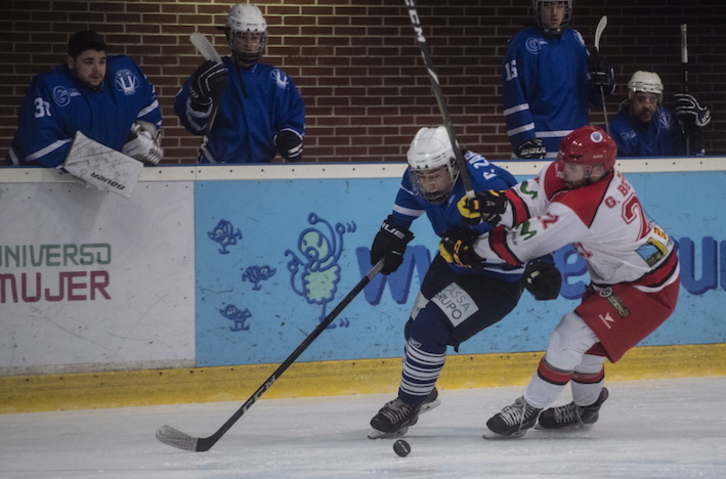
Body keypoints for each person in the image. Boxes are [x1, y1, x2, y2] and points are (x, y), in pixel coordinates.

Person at [449, 125, 680, 438]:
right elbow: (527, 201)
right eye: (562, 161)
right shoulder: (577, 172)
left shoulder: (586, 205)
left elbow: (521, 245)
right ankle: (587, 409)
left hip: (649, 287)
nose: (561, 169)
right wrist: (494, 205)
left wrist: (469, 252)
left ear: (597, 169)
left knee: (569, 335)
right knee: (587, 349)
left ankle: (528, 409)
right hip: (622, 275)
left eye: (571, 166)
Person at [367, 126, 562, 439]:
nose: (428, 184)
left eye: (436, 176)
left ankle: (409, 402)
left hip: (496, 278)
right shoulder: (417, 174)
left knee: (429, 326)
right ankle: (423, 392)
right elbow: (405, 212)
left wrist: (543, 264)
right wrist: (393, 234)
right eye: (423, 177)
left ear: (455, 167)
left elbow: (532, 222)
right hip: (452, 260)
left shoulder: (488, 183)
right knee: (415, 330)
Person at [6, 30, 162, 168]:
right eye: (88, 62)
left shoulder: (123, 73)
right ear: (71, 62)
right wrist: (102, 162)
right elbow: (38, 143)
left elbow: (147, 107)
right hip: (31, 185)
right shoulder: (48, 85)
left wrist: (145, 137)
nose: (97, 69)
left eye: (102, 61)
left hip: (101, 181)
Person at [175, 3, 305, 164]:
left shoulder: (276, 80)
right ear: (230, 36)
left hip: (261, 169)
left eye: (255, 37)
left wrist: (289, 135)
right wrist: (199, 100)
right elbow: (194, 126)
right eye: (242, 36)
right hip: (215, 167)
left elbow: (292, 116)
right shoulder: (212, 74)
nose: (249, 43)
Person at [502, 0, 615, 160]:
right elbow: (515, 96)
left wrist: (601, 85)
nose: (554, 12)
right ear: (538, 8)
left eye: (560, 5)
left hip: (578, 144)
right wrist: (524, 139)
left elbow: (588, 97)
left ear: (567, 8)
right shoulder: (522, 44)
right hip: (540, 146)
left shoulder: (575, 39)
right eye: (548, 5)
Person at [609, 70, 711, 157]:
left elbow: (686, 160)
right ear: (631, 98)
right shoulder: (617, 129)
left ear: (658, 100)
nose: (647, 106)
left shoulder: (667, 120)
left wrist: (695, 134)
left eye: (652, 100)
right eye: (641, 99)